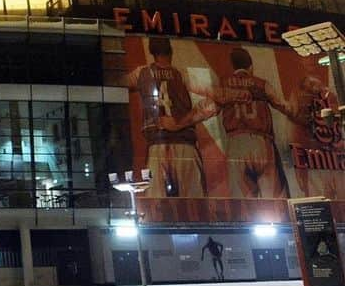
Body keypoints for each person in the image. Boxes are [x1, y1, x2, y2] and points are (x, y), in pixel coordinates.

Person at [124, 37, 231, 198]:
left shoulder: (141, 73)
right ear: (171, 51)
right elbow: (220, 97)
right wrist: (183, 121)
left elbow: (114, 84)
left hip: (156, 147)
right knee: (193, 206)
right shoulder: (181, 73)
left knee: (157, 207)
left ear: (152, 52)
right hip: (184, 145)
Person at [219, 47, 293, 199]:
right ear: (250, 66)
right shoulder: (261, 84)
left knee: (243, 202)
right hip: (261, 141)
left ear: (233, 66)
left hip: (235, 143)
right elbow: (284, 106)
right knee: (272, 199)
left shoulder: (223, 85)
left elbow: (207, 109)